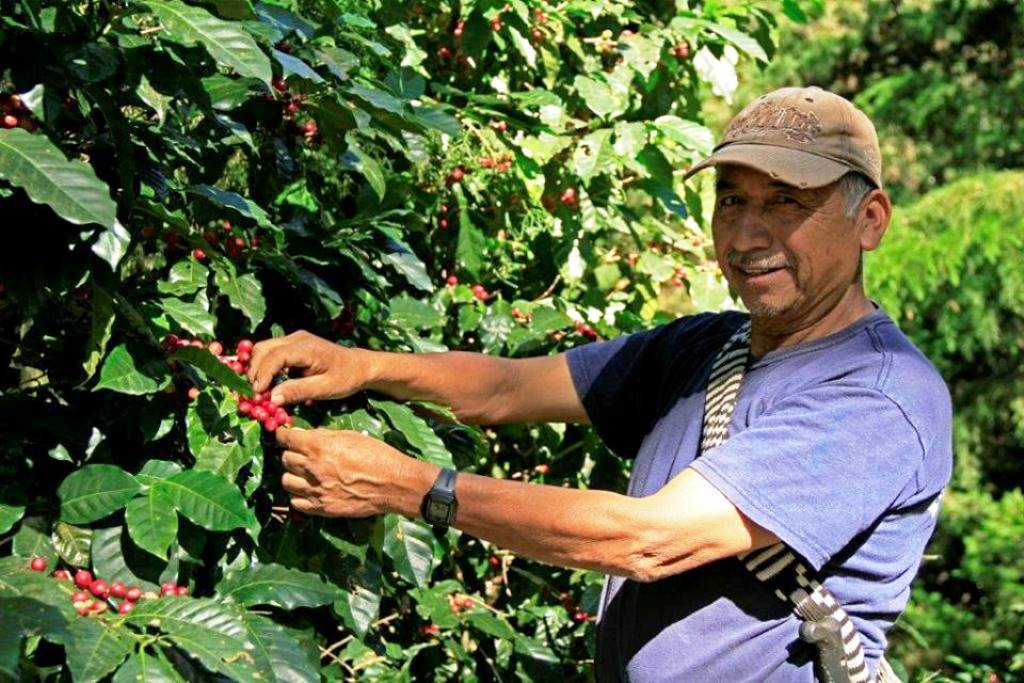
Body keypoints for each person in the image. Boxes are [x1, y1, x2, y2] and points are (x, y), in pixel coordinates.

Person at [248, 86, 952, 682]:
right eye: (731, 201)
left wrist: (412, 487)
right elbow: (504, 388)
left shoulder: (880, 395)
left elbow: (649, 539)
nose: (744, 236)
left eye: (787, 203)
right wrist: (362, 364)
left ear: (871, 220)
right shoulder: (707, 346)